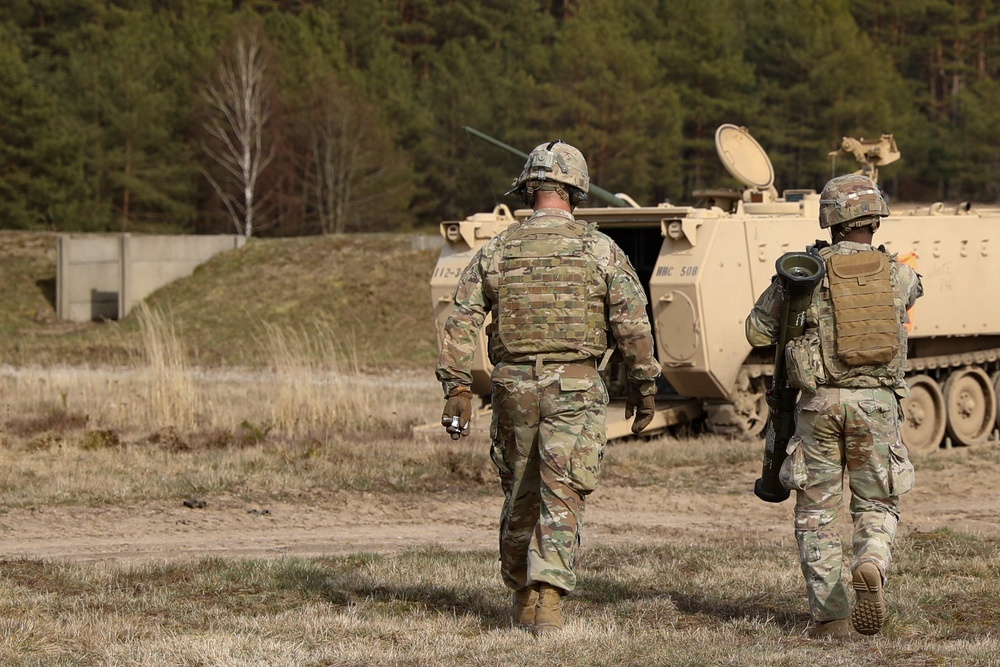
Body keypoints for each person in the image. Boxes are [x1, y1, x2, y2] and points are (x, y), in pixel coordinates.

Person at [436, 140, 661, 635]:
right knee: (563, 491)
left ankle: (521, 590)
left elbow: (461, 321)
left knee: (520, 487)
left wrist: (456, 387)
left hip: (513, 384)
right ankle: (549, 597)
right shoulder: (600, 248)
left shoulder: (498, 249)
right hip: (576, 385)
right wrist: (645, 389)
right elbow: (632, 326)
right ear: (576, 192)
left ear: (529, 190)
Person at [746, 173, 922, 640]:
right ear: (875, 218)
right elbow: (908, 300)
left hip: (817, 405)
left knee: (816, 514)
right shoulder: (901, 274)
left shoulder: (804, 272)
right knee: (878, 502)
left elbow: (757, 332)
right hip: (877, 404)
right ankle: (871, 562)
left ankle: (832, 616)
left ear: (829, 219)